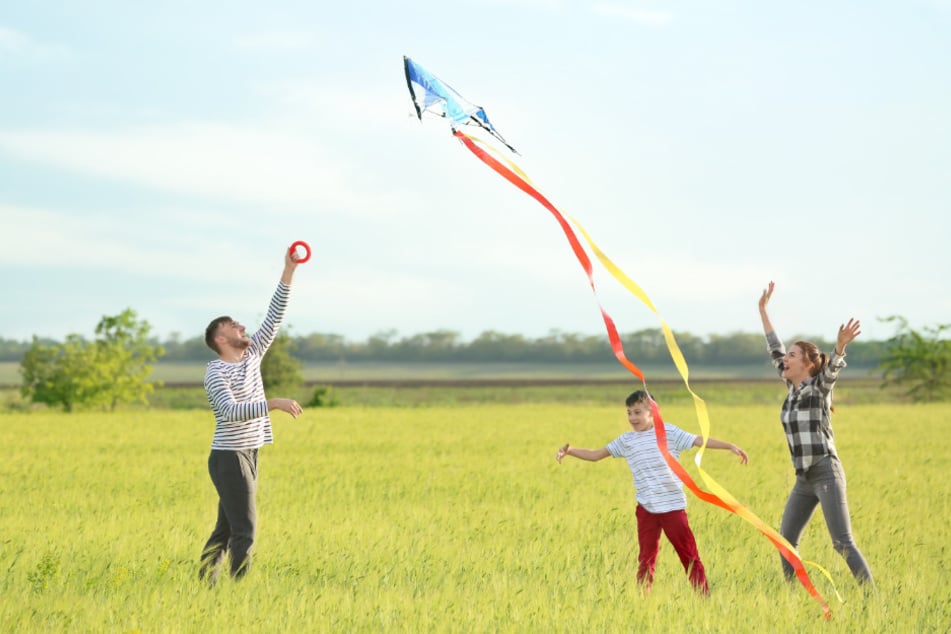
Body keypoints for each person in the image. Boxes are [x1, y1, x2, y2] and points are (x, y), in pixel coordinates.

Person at [556, 390, 748, 595]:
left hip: (673, 508)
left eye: (637, 412)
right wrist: (570, 451)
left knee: (689, 557)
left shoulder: (670, 433)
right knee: (646, 559)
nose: (632, 418)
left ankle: (704, 597)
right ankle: (642, 601)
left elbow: (699, 440)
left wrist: (729, 446)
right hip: (646, 509)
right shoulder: (626, 440)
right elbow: (595, 455)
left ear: (653, 412)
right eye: (629, 413)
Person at [198, 245, 305, 585]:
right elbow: (229, 412)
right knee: (245, 528)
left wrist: (289, 270)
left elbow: (274, 315)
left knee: (227, 526)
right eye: (234, 326)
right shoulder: (215, 372)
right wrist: (272, 403)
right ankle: (238, 589)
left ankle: (204, 586)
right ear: (220, 338)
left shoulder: (251, 355)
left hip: (250, 452)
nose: (243, 326)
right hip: (229, 457)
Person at [758, 280, 874, 587]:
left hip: (825, 471)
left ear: (808, 365)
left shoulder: (818, 389)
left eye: (793, 355)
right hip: (804, 478)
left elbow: (832, 370)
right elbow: (774, 348)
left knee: (842, 542)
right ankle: (794, 598)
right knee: (786, 542)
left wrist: (840, 347)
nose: (786, 359)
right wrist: (763, 309)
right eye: (788, 355)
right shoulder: (792, 388)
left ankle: (873, 599)